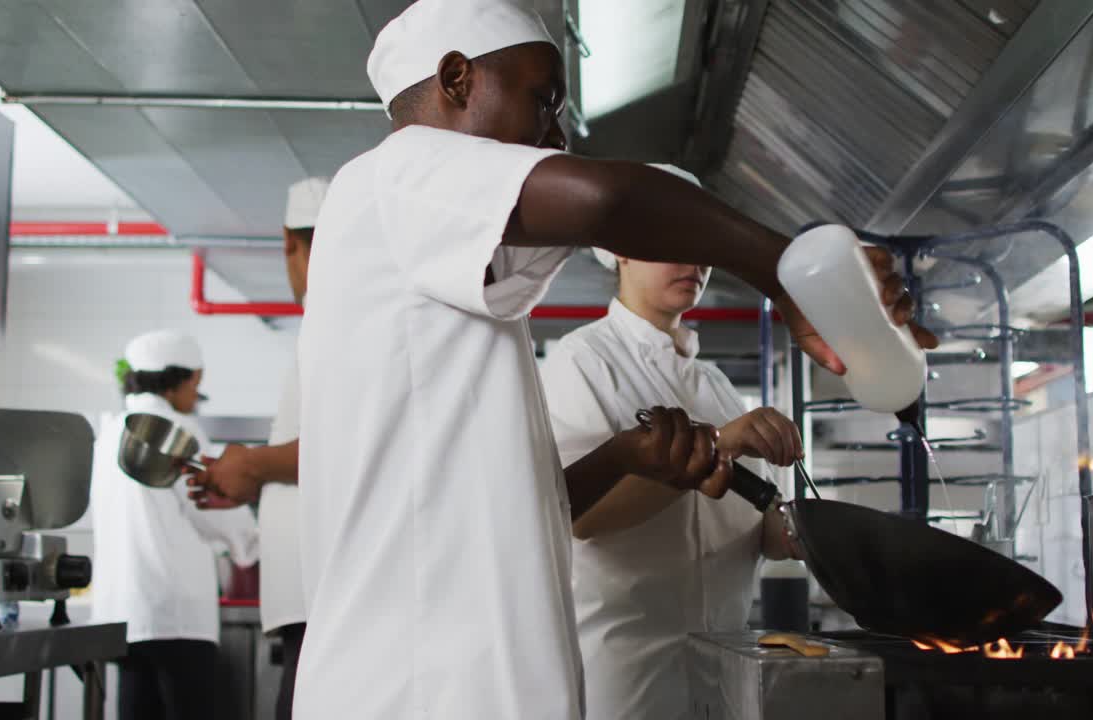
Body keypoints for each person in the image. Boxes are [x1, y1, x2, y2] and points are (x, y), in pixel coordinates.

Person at [294, 1, 937, 718]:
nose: (558, 136)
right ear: (454, 80)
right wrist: (787, 270)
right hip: (419, 687)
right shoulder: (394, 172)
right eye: (543, 101)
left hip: (469, 679)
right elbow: (607, 199)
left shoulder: (449, 295)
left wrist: (630, 458)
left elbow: (532, 505)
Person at [540, 164, 803, 720]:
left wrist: (800, 532)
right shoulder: (581, 364)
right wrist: (722, 445)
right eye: (672, 244)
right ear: (622, 252)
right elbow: (582, 517)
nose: (694, 261)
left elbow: (762, 532)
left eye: (702, 244)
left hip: (727, 665)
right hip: (627, 673)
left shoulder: (717, 386)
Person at [185, 177, 328, 720]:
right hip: (312, 591)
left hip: (321, 592)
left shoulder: (337, 319)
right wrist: (249, 478)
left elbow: (350, 443)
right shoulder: (328, 318)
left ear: (288, 242)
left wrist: (252, 464)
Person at [89, 329, 259, 720]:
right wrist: (253, 544)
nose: (195, 396)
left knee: (137, 711)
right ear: (175, 380)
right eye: (196, 384)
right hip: (174, 612)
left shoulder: (113, 430)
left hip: (122, 613)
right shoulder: (171, 430)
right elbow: (214, 506)